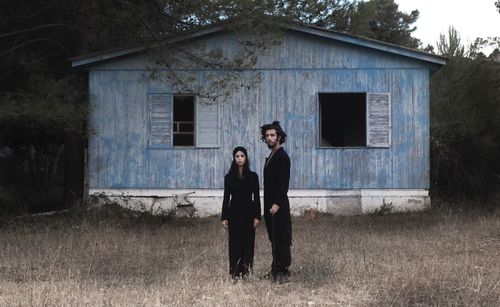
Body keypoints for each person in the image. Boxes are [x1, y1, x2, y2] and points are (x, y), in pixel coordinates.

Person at [221, 146, 261, 280]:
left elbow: (256, 197)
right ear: (234, 158)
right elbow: (226, 197)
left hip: (249, 212)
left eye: (242, 156)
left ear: (246, 158)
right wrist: (224, 217)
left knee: (248, 243)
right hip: (234, 213)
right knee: (235, 243)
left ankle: (247, 271)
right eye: (237, 156)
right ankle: (235, 272)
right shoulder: (229, 177)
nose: (239, 159)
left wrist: (257, 216)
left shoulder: (253, 176)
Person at [260, 121, 292, 283]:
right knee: (274, 237)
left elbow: (283, 184)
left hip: (278, 205)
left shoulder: (282, 156)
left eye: (272, 135)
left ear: (279, 137)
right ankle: (275, 268)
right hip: (269, 204)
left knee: (281, 238)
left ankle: (283, 271)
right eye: (267, 136)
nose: (269, 138)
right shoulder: (271, 156)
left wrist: (277, 204)